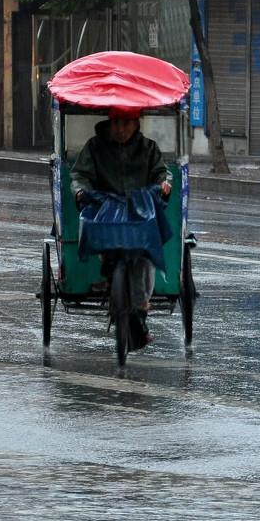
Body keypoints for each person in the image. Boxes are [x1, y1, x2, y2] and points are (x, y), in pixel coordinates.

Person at [71, 108, 172, 347]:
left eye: (126, 124)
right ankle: (110, 274)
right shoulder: (94, 147)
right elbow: (80, 175)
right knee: (100, 236)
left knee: (146, 255)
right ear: (109, 122)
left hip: (140, 210)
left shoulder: (149, 148)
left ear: (136, 124)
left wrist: (164, 184)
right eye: (116, 123)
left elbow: (162, 172)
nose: (121, 129)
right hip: (106, 209)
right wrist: (80, 191)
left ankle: (141, 309)